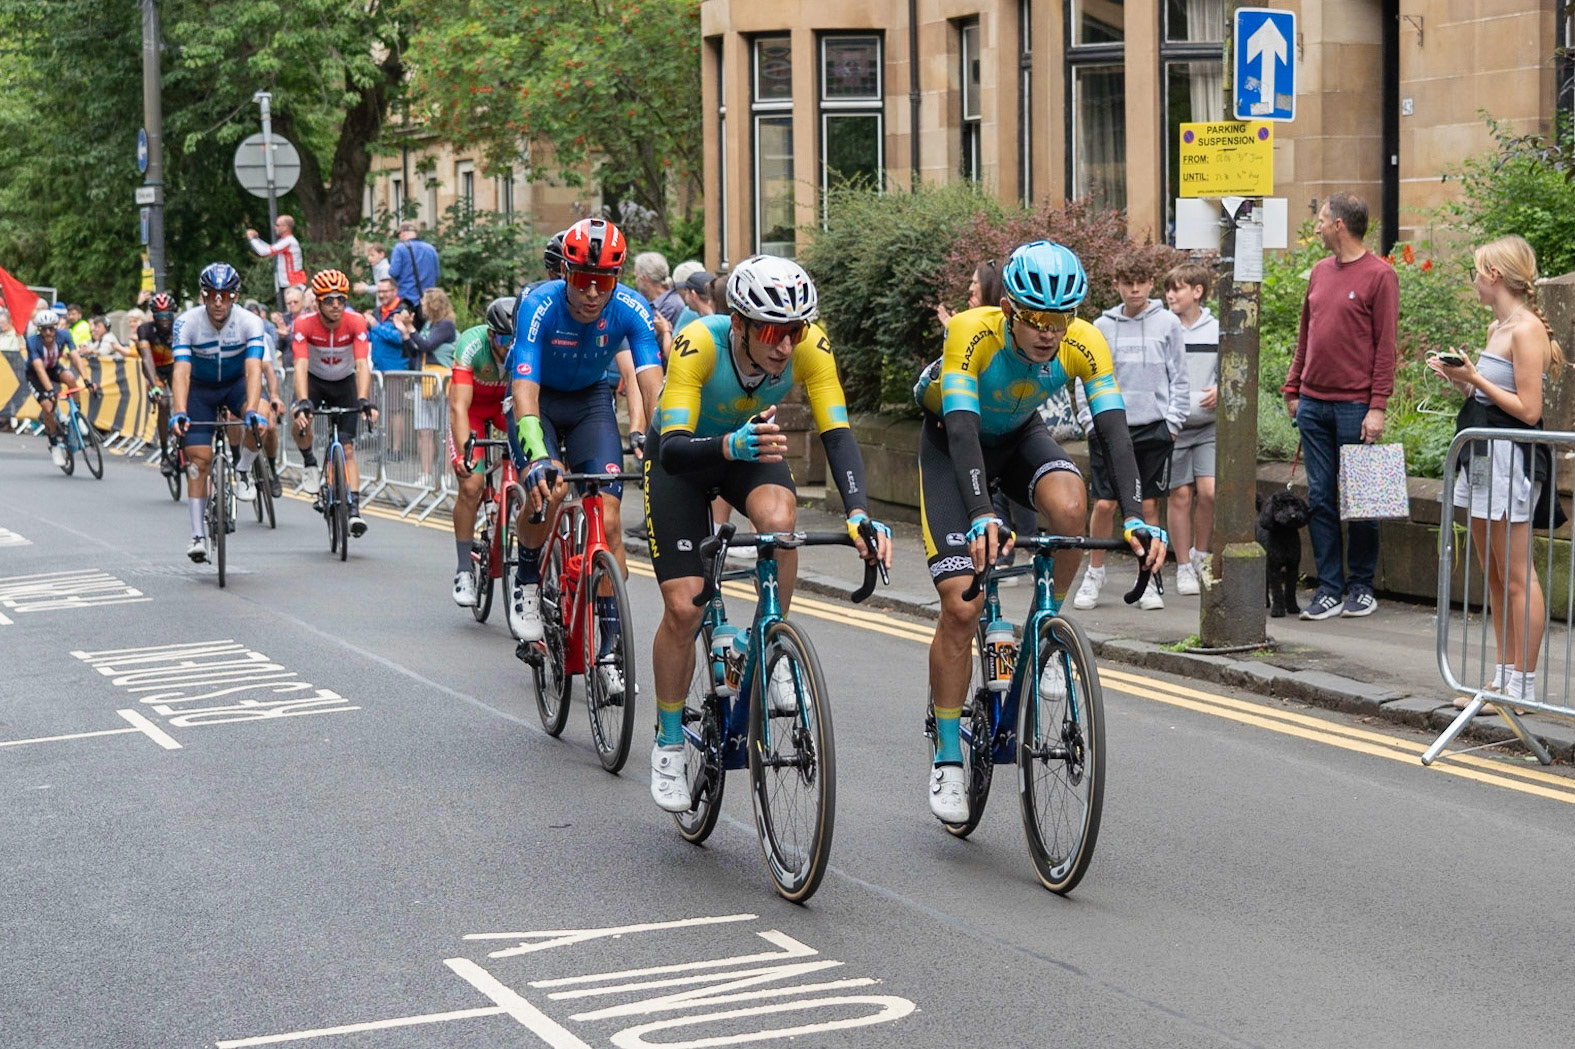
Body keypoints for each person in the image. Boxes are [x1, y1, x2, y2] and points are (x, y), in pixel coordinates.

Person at [915, 241, 1166, 823]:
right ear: (1009, 309)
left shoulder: (1085, 341)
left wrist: (1134, 516)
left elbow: (1113, 433)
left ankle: (1045, 630)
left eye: (1062, 318)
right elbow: (960, 430)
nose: (1050, 333)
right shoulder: (971, 333)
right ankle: (949, 755)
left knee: (1073, 508)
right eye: (1036, 319)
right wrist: (982, 513)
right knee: (960, 608)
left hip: (1019, 436)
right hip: (954, 445)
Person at [644, 254, 892, 811]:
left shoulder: (810, 346)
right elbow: (678, 448)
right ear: (740, 324)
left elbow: (838, 432)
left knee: (781, 523)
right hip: (682, 459)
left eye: (795, 330)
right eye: (773, 331)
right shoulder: (699, 343)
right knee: (685, 608)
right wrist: (729, 444)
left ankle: (773, 639)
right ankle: (665, 743)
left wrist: (858, 512)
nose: (786, 345)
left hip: (746, 449)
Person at [507, 217, 664, 649]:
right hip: (539, 403)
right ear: (566, 274)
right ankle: (526, 579)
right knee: (550, 491)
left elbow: (652, 384)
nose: (593, 293)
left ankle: (611, 647)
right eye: (581, 279)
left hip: (590, 401)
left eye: (604, 281)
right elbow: (524, 389)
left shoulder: (631, 308)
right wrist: (538, 455)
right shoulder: (540, 305)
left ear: (617, 277)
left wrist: (668, 440)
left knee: (609, 520)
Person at [1429, 235, 1564, 707]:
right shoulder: (1497, 327)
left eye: (1476, 272)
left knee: (1517, 575)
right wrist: (1461, 382)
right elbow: (1488, 401)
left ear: (1495, 276)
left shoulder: (1526, 330)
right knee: (1492, 574)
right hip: (1482, 458)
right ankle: (1501, 679)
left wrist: (1476, 378)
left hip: (1510, 461)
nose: (1473, 281)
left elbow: (1528, 411)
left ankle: (1522, 688)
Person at [1281, 192, 1398, 620]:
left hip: (1356, 406)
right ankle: (1329, 587)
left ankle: (1361, 586)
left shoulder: (1380, 276)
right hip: (1313, 404)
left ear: (1339, 226)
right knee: (1322, 499)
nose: (1316, 226)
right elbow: (1305, 337)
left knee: (1363, 501)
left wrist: (1378, 406)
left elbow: (1387, 348)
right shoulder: (1318, 273)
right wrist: (1293, 390)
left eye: (1322, 219)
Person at [1072, 251, 1187, 611]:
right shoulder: (1101, 327)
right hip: (1110, 427)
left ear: (1152, 284)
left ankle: (1149, 578)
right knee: (1105, 503)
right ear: (1117, 285)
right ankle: (1094, 573)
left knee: (1149, 505)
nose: (1135, 289)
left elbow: (1180, 376)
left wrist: (1172, 423)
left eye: (1141, 282)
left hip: (1153, 427)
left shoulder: (1168, 323)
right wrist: (1090, 421)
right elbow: (1083, 377)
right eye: (1127, 283)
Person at [168, 263, 269, 562]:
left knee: (262, 419)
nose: (218, 301)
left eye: (225, 295)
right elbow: (181, 373)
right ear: (202, 296)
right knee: (198, 462)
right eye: (211, 294)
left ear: (235, 296)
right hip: (201, 388)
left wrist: (251, 409)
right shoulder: (186, 323)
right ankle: (197, 535)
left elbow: (253, 370)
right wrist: (180, 411)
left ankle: (243, 469)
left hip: (236, 384)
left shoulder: (251, 322)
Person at [291, 269, 376, 534]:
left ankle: (354, 511)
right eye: (329, 299)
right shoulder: (304, 324)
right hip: (314, 381)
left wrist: (364, 400)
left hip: (344, 383)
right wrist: (303, 402)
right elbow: (301, 364)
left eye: (341, 298)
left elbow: (362, 364)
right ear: (317, 301)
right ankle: (309, 462)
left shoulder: (356, 321)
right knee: (299, 418)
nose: (336, 304)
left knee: (348, 448)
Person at [448, 297, 519, 606]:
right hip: (473, 410)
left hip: (506, 407)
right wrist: (466, 453)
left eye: (513, 339)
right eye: (503, 339)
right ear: (491, 335)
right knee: (471, 485)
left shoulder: (524, 346)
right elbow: (458, 406)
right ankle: (464, 569)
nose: (508, 347)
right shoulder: (471, 345)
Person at [1163, 260, 1220, 596]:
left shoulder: (1216, 329)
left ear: (1197, 292)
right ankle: (1183, 565)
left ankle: (1201, 554)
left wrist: (1222, 388)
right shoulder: (1166, 328)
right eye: (1168, 289)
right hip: (1175, 427)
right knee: (1180, 495)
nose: (1171, 295)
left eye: (1178, 288)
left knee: (1210, 491)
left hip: (1208, 425)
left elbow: (1233, 369)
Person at [394, 286, 457, 488]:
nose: (420, 306)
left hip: (441, 384)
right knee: (424, 431)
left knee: (444, 432)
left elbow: (428, 345)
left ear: (432, 304)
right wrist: (405, 335)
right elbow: (416, 352)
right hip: (424, 381)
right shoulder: (429, 324)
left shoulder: (446, 326)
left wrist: (410, 328)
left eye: (423, 302)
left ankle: (445, 473)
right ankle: (426, 472)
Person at [25, 308, 94, 467]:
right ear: (39, 330)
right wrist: (50, 391)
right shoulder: (32, 342)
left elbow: (75, 356)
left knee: (70, 378)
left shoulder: (65, 335)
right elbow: (39, 369)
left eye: (51, 328)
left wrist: (86, 379)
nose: (48, 332)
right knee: (48, 407)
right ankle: (54, 445)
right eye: (44, 329)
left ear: (56, 327)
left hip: (53, 367)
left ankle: (76, 416)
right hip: (35, 374)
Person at [138, 292, 179, 475]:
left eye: (167, 315)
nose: (164, 320)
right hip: (154, 369)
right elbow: (146, 359)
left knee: (184, 401)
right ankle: (164, 454)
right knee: (163, 403)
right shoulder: (145, 330)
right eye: (159, 316)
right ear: (153, 316)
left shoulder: (179, 327)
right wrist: (153, 384)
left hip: (174, 367)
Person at [388, 220, 441, 324]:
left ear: (402, 233)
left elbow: (394, 272)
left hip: (408, 301)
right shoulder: (431, 248)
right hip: (429, 301)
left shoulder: (400, 248)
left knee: (408, 334)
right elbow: (437, 274)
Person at [246, 215, 308, 299]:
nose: (275, 228)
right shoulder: (285, 241)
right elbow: (269, 248)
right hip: (290, 284)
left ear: (285, 227)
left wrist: (252, 239)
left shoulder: (288, 242)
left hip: (293, 284)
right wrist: (257, 239)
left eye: (278, 225)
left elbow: (264, 252)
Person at [633, 250, 684, 328]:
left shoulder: (671, 305)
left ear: (644, 278)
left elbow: (647, 337)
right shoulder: (659, 303)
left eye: (636, 276)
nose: (635, 281)